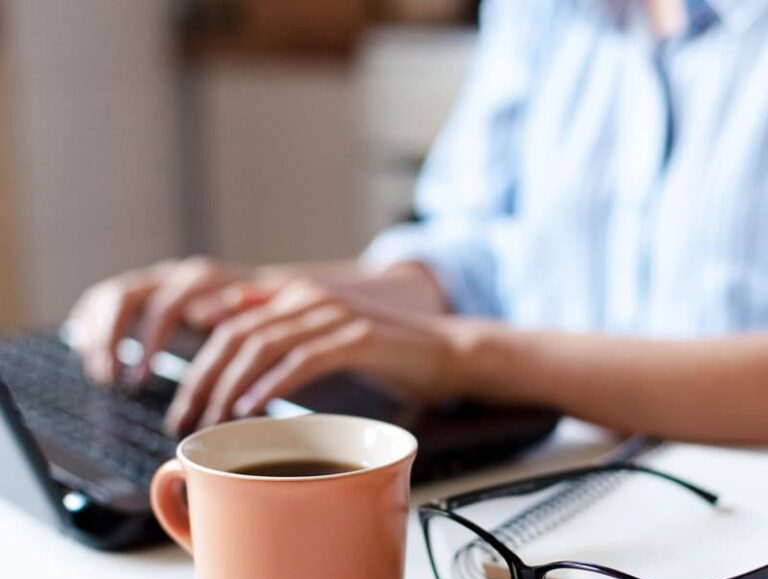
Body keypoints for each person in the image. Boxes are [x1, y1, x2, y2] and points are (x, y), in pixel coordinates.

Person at [68, 0, 768, 442]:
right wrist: (261, 300)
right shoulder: (546, 13)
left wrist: (461, 355)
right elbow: (478, 251)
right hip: (558, 486)